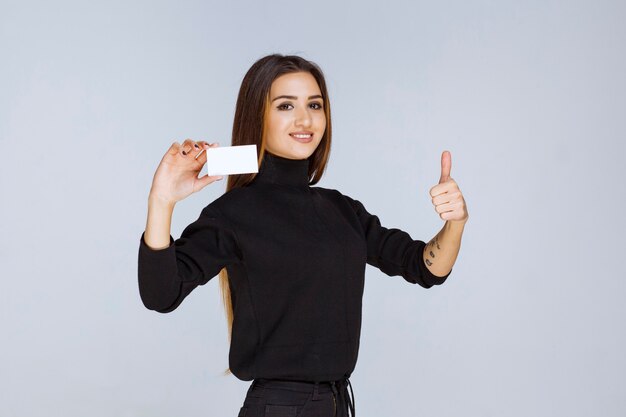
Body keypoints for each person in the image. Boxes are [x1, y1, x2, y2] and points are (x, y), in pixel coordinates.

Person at [138, 53, 468, 417]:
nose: (304, 119)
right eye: (285, 106)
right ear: (257, 117)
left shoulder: (343, 210)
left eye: (314, 104)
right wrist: (162, 200)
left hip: (335, 403)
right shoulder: (234, 214)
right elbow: (161, 294)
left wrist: (455, 222)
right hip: (281, 407)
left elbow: (425, 268)